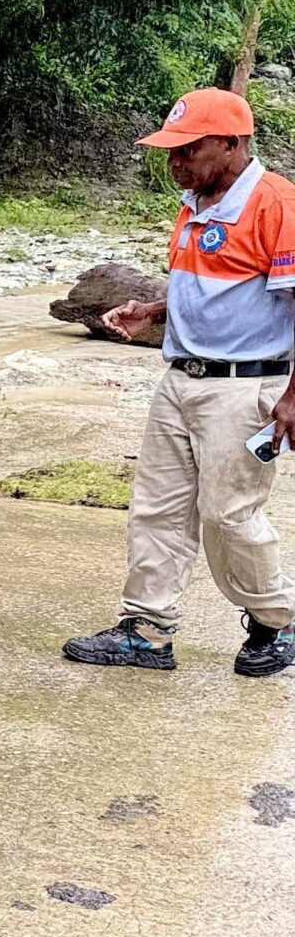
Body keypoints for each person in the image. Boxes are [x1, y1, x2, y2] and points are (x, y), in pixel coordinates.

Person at [63, 88, 295, 678]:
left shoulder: (276, 204)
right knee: (157, 510)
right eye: (171, 151)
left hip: (243, 389)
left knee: (229, 516)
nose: (176, 163)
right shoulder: (197, 202)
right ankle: (146, 630)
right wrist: (151, 309)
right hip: (180, 380)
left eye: (189, 150)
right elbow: (210, 287)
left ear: (233, 144)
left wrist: (294, 396)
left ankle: (279, 622)